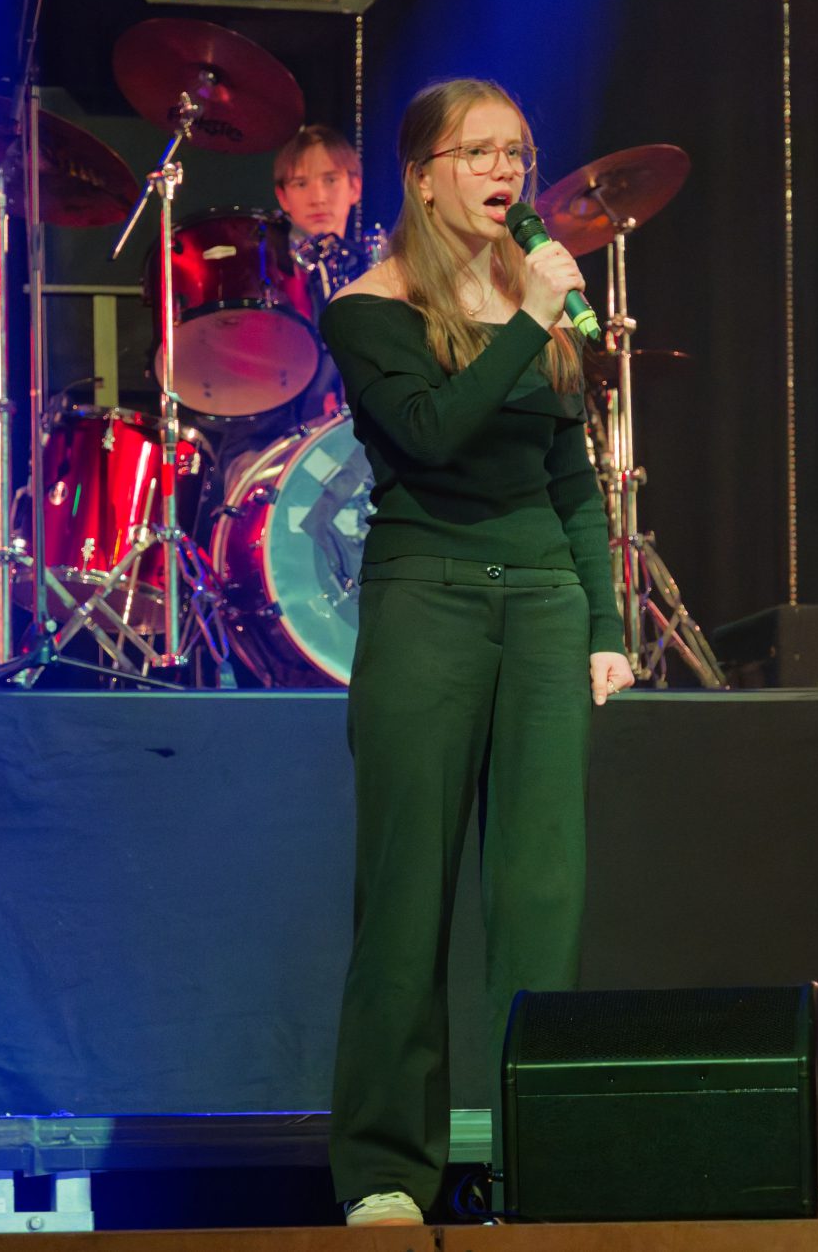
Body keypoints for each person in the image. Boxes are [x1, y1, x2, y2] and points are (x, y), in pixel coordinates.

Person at [317, 79, 637, 1227]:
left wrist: (604, 625)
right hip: (429, 603)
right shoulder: (367, 310)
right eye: (480, 152)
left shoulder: (528, 303)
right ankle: (385, 1171)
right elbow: (431, 435)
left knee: (542, 898)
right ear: (423, 174)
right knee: (406, 900)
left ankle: (536, 1162)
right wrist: (530, 321)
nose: (506, 172)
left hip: (544, 605)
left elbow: (570, 479)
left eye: (516, 153)